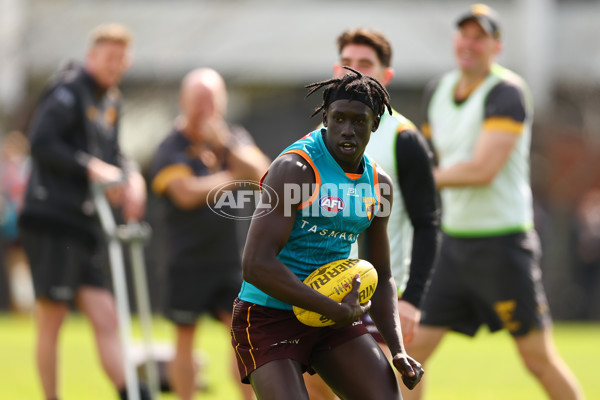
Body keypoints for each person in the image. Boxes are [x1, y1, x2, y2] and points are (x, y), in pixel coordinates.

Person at [403, 4, 584, 400]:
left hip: (503, 247)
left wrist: (416, 181)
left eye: (480, 36)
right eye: (464, 34)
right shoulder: (438, 90)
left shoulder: (507, 92)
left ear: (496, 46)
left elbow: (482, 170)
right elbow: (432, 157)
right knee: (410, 353)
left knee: (538, 359)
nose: (469, 43)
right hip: (451, 247)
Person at [231, 67, 424, 400]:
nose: (347, 130)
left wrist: (397, 350)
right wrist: (331, 309)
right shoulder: (295, 170)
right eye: (338, 119)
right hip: (267, 317)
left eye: (359, 121)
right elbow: (256, 264)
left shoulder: (379, 187)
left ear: (375, 124)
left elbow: (383, 274)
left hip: (332, 314)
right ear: (325, 118)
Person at [305, 27, 441, 400]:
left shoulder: (404, 138)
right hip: (325, 288)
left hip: (378, 292)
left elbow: (428, 224)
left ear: (387, 76)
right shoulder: (318, 137)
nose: (354, 72)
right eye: (347, 63)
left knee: (385, 384)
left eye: (365, 64)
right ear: (335, 69)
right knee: (315, 383)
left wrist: (411, 299)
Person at [18, 23, 149, 400]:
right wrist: (91, 167)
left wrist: (132, 177)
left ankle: (133, 393)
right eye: (109, 57)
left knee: (106, 315)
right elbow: (42, 142)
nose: (115, 65)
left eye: (121, 59)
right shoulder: (69, 89)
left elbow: (115, 155)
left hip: (85, 222)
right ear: (92, 57)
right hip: (51, 218)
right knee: (53, 318)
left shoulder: (112, 101)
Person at [150, 68, 268, 400]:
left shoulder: (233, 137)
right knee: (184, 338)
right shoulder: (171, 146)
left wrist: (227, 145)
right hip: (187, 259)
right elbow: (184, 193)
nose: (205, 108)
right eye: (198, 100)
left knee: (243, 340)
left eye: (212, 100)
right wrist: (232, 178)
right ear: (182, 102)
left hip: (232, 260)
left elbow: (263, 172)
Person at [0, 130, 34, 314]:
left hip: (26, 223)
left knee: (25, 265)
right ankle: (21, 306)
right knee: (15, 266)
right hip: (11, 226)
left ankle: (29, 305)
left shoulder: (26, 168)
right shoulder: (6, 169)